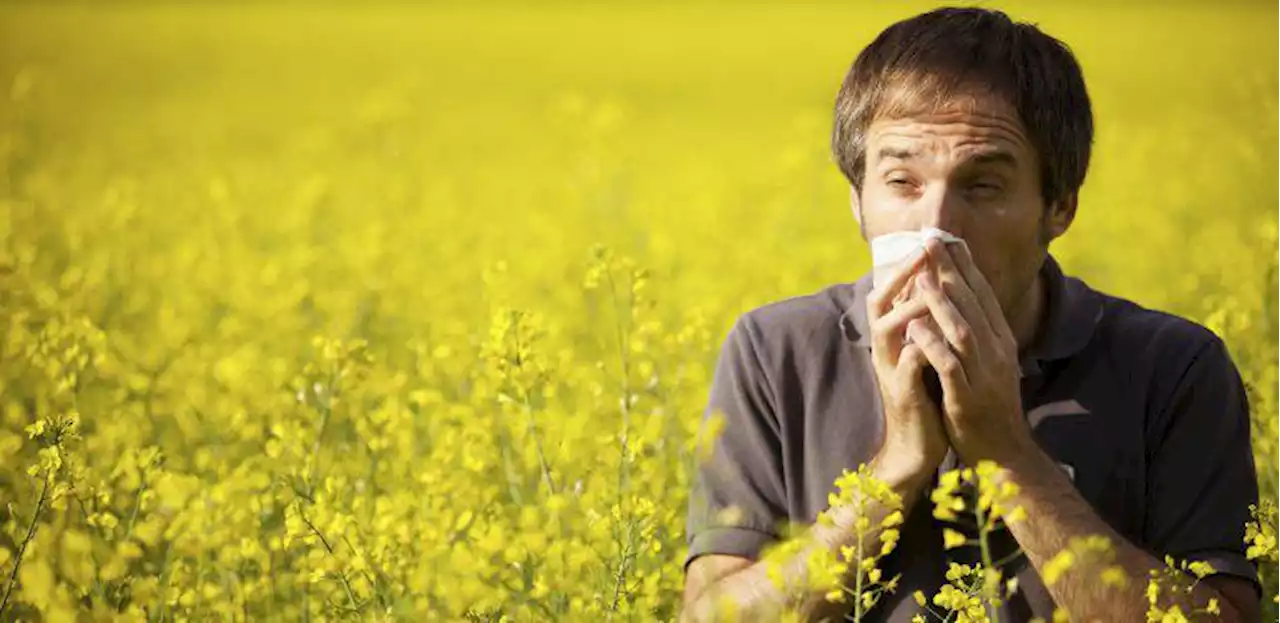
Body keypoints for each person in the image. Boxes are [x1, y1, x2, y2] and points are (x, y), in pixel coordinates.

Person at [679, 6, 1261, 622]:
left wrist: (1008, 454)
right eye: (902, 181)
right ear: (857, 201)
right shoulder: (776, 352)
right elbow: (710, 615)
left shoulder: (1173, 368)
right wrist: (895, 470)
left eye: (981, 186)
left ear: (1058, 207)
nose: (934, 229)